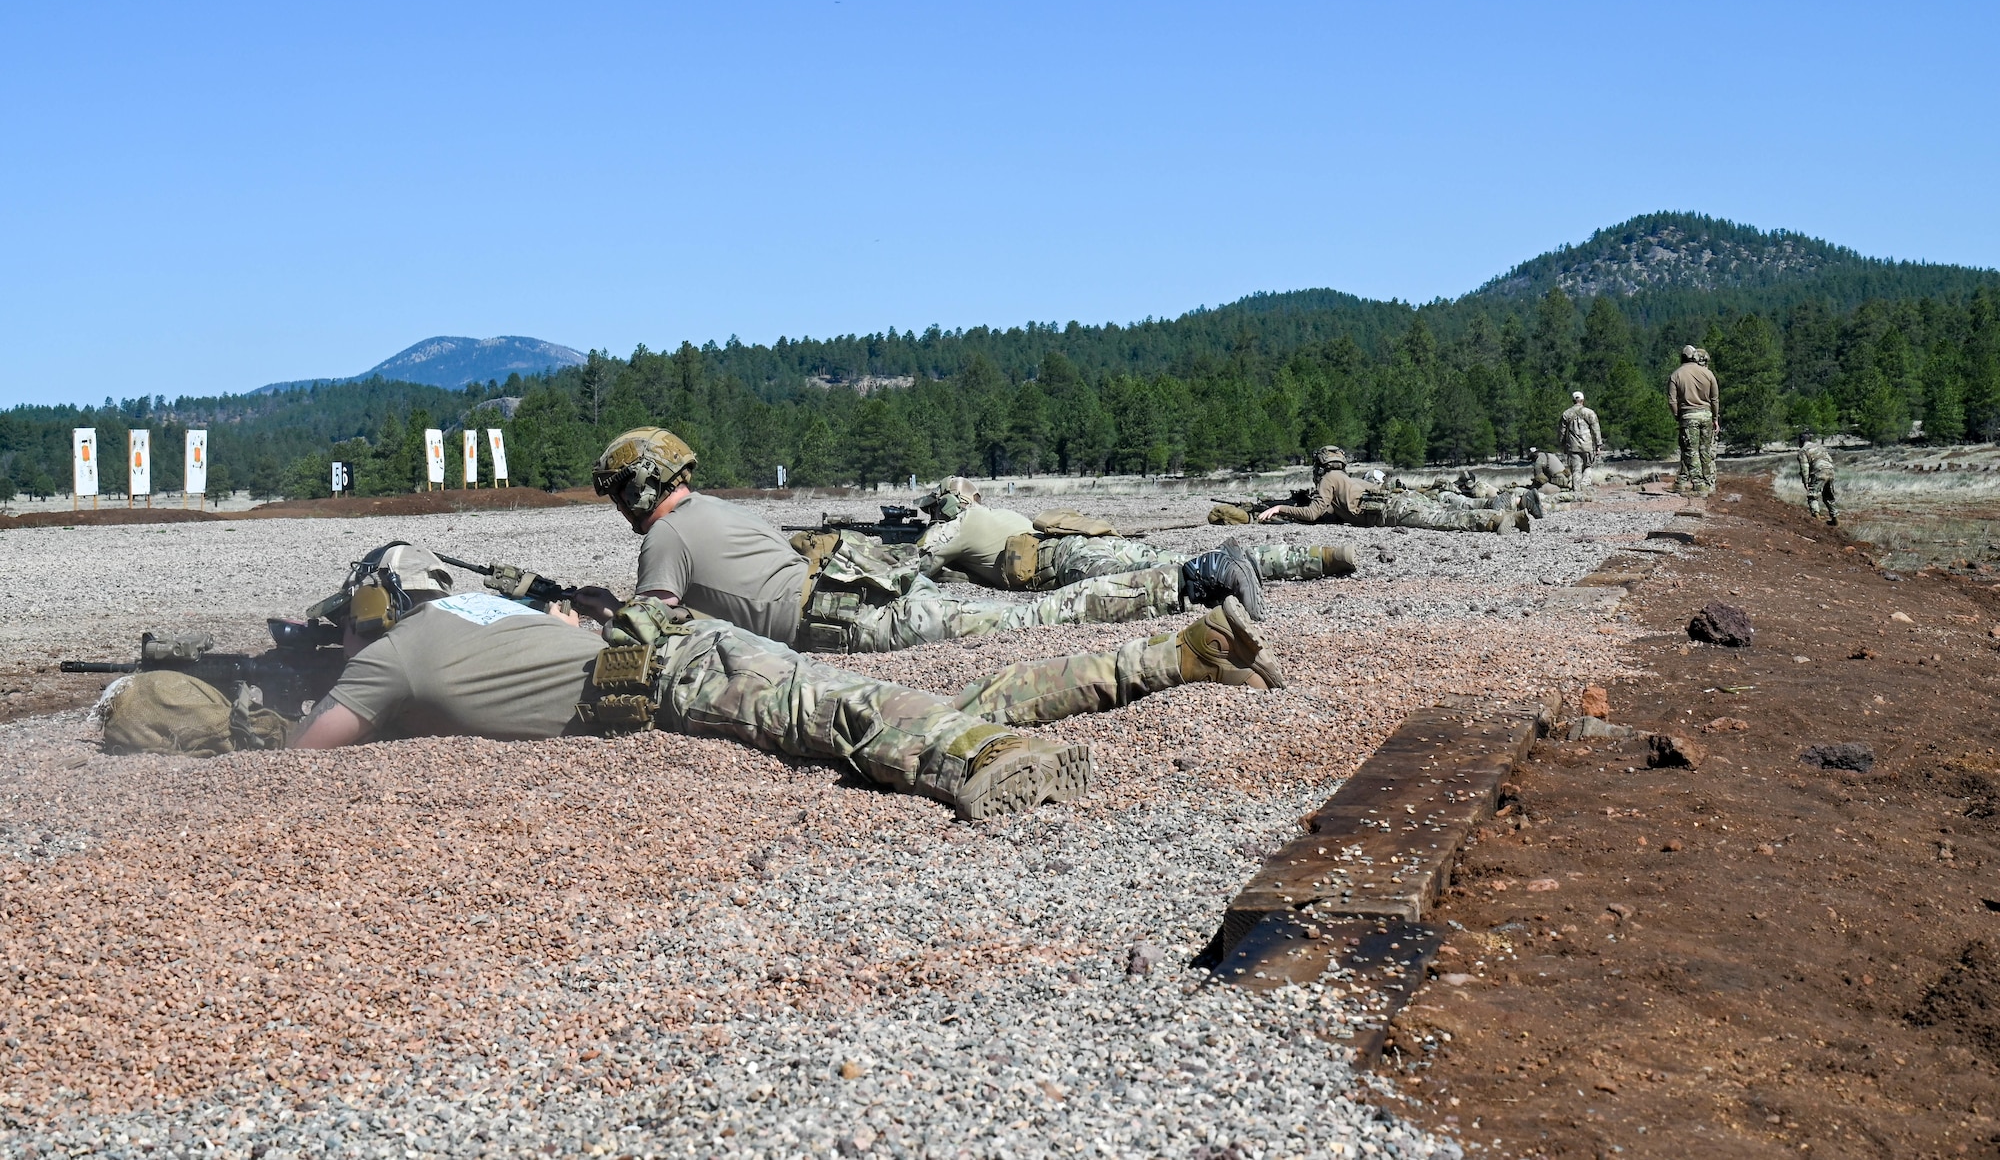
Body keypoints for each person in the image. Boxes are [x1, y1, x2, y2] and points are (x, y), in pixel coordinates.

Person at [281, 544, 1283, 822]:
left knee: (838, 713)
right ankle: (1169, 656)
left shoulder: (390, 653)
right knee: (866, 695)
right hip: (678, 643)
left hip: (674, 671)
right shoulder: (482, 611)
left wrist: (311, 707)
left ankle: (982, 759)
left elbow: (307, 758)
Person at [576, 429, 1236, 654]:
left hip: (845, 614)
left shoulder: (664, 535)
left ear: (637, 487)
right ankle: (1189, 580)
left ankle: (1191, 582)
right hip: (861, 582)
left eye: (616, 492)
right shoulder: (717, 507)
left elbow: (651, 626)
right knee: (1018, 614)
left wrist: (595, 614)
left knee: (1029, 617)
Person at [910, 477, 1356, 615]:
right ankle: (1319, 559)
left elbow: (919, 563)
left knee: (1130, 588)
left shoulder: (959, 525)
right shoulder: (998, 515)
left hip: (1065, 559)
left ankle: (1213, 575)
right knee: (1168, 558)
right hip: (1084, 541)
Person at [1254, 447, 1529, 534]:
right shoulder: (1347, 479)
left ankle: (1493, 521)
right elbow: (1331, 511)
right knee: (1447, 509)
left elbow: (1314, 513)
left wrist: (1281, 509)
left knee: (1443, 521)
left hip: (1388, 511)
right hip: (1399, 498)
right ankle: (1511, 513)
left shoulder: (1329, 480)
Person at [1669, 345, 1721, 496]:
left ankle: (1699, 485)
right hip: (1706, 415)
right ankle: (1709, 483)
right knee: (1705, 451)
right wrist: (1715, 418)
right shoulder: (1708, 374)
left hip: (1688, 416)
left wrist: (1677, 415)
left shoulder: (1676, 375)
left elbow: (1672, 400)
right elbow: (1715, 399)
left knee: (1691, 452)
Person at [1560, 391, 1604, 501]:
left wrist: (1562, 444)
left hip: (1573, 446)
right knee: (1588, 467)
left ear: (1573, 400)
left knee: (1576, 470)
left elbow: (1561, 432)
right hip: (1588, 446)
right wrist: (1598, 444)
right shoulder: (1590, 413)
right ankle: (1585, 488)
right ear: (1583, 400)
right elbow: (1596, 430)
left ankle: (1577, 493)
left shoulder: (1566, 414)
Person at [1798, 429, 1837, 525]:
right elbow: (1829, 460)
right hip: (1830, 470)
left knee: (1812, 496)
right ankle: (1835, 519)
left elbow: (1805, 467)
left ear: (1801, 440)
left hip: (1819, 472)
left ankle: (1817, 521)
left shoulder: (1803, 450)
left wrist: (1805, 481)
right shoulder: (1820, 447)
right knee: (1829, 496)